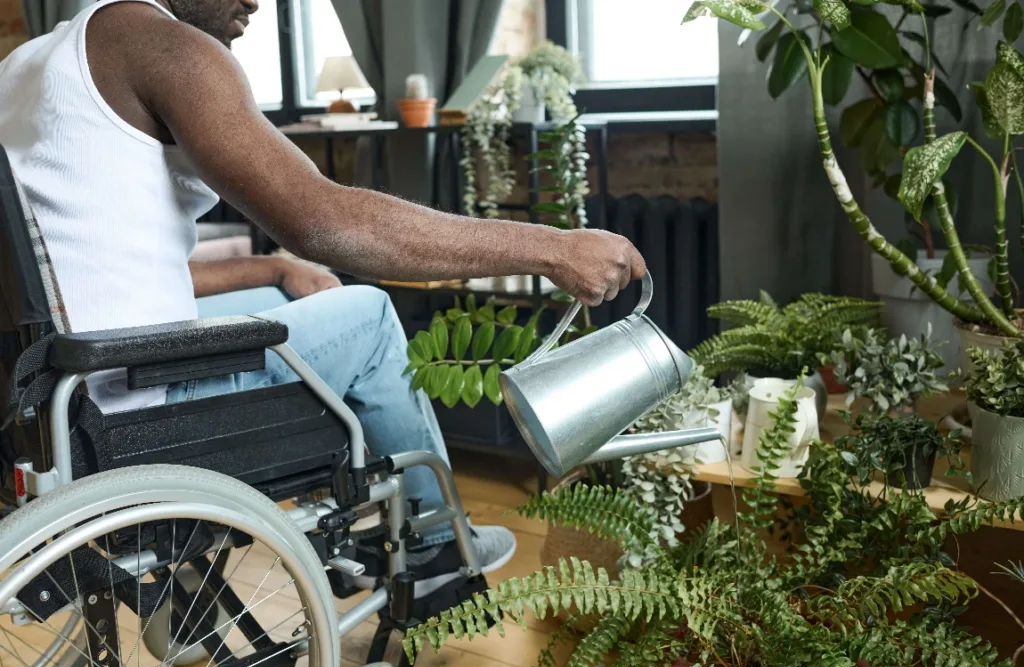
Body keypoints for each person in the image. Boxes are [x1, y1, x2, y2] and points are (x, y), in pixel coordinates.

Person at [0, 0, 647, 594]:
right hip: (138, 416)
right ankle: (433, 548)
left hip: (52, 405)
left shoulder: (27, 66)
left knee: (294, 310)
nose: (256, 2)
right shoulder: (168, 50)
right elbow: (325, 222)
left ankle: (202, 600)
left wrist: (272, 267)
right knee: (365, 317)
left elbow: (110, 274)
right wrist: (554, 248)